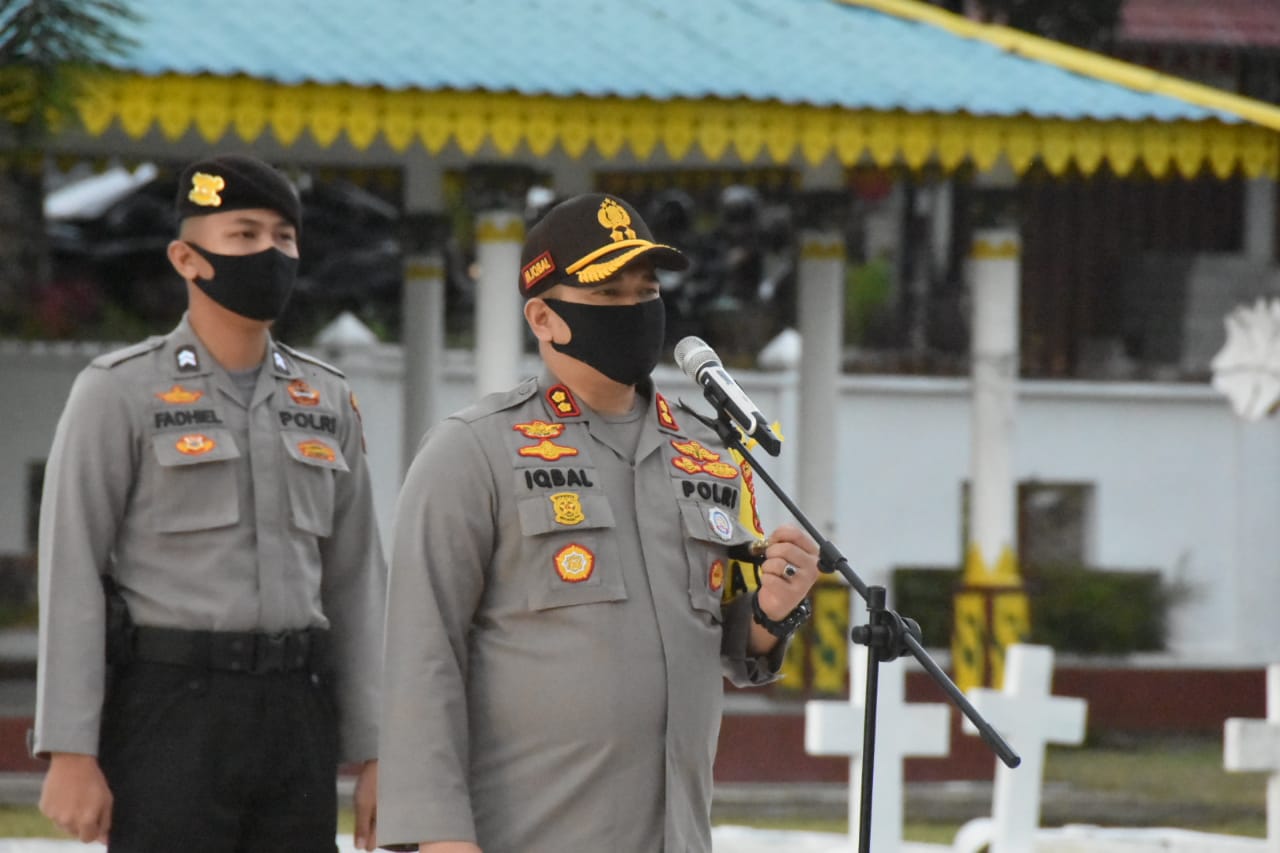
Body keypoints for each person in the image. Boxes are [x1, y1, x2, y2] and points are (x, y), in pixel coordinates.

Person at [378, 192, 821, 852]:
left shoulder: (705, 452)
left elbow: (723, 642)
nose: (638, 310)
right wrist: (439, 838)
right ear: (545, 317)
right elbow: (420, 657)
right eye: (610, 293)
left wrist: (770, 613)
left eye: (647, 290)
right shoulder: (473, 451)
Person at [33, 153, 386, 852]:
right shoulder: (119, 391)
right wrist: (70, 750)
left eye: (283, 237)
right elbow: (70, 569)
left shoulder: (326, 398)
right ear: (186, 258)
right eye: (244, 234)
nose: (269, 252)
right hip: (172, 706)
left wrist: (380, 751)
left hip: (296, 709)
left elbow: (357, 582)